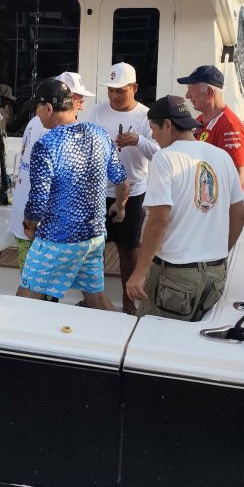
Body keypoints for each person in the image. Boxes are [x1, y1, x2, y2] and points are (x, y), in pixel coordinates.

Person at [126, 96, 244, 321]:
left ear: (168, 125)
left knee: (154, 334)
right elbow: (240, 215)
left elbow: (158, 221)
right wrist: (219, 252)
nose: (153, 136)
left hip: (175, 276)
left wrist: (140, 272)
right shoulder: (222, 156)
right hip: (216, 274)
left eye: (153, 129)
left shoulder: (164, 158)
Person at [19, 80, 127, 309]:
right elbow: (122, 180)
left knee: (24, 299)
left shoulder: (46, 145)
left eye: (37, 109)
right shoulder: (100, 134)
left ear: (48, 108)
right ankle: (120, 330)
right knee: (95, 296)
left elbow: (38, 201)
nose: (36, 115)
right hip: (94, 236)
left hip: (58, 238)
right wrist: (120, 205)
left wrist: (29, 225)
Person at [85, 62, 159, 314]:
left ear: (134, 88)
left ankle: (129, 304)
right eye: (111, 90)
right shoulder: (96, 112)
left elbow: (159, 154)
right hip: (98, 191)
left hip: (134, 192)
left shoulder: (146, 116)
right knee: (94, 249)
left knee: (128, 251)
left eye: (120, 90)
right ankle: (96, 301)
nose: (114, 96)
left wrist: (138, 141)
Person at [9, 72, 95, 270]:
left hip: (28, 220)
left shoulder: (36, 122)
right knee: (36, 285)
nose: (81, 106)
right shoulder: (52, 129)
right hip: (40, 228)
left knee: (31, 282)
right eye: (78, 99)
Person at [177, 65, 244, 183]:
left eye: (191, 90)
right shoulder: (201, 119)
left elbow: (236, 178)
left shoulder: (230, 127)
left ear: (209, 92)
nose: (187, 95)